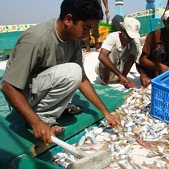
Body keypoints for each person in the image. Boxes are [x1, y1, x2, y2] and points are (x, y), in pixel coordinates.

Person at [0, 0, 121, 144]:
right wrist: (35, 122)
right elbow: (8, 86)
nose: (87, 34)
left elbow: (82, 79)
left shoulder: (74, 40)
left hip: (40, 87)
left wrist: (105, 112)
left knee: (74, 74)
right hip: (22, 93)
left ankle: (47, 111)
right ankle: (43, 117)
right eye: (85, 28)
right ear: (68, 20)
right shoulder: (36, 39)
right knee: (71, 71)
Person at [95, 17, 141, 89]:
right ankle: (106, 79)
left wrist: (123, 76)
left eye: (131, 37)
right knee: (110, 50)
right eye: (127, 36)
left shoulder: (134, 42)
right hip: (105, 72)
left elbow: (136, 59)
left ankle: (123, 78)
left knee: (135, 47)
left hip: (120, 71)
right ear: (122, 30)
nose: (129, 39)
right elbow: (102, 56)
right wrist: (121, 76)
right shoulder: (112, 37)